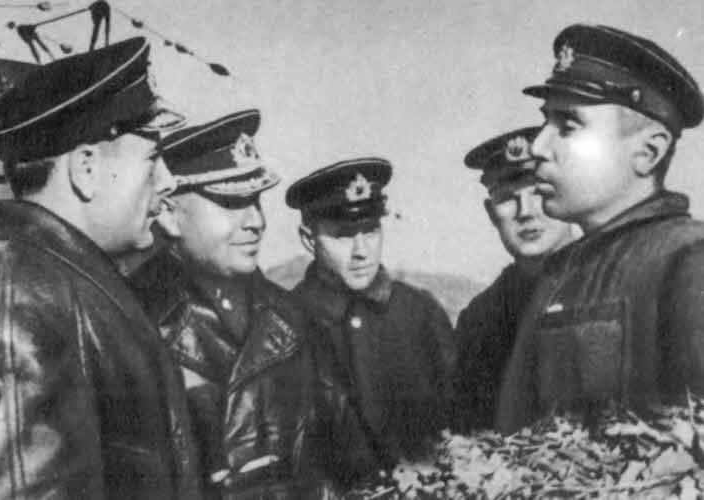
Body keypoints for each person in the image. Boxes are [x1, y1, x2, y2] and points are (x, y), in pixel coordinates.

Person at [0, 38, 203, 499]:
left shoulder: (56, 284)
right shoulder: (18, 306)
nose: (169, 182)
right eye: (153, 159)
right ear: (85, 168)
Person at [496, 24, 704, 434]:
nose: (538, 147)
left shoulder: (689, 261)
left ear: (648, 151)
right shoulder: (558, 272)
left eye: (568, 125)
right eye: (545, 122)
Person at [131, 109, 320, 499]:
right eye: (232, 202)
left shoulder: (292, 316)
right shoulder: (132, 318)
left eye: (256, 200)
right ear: (168, 215)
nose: (256, 221)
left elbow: (333, 463)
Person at [286, 158, 457, 487]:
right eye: (343, 235)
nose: (361, 251)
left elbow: (457, 422)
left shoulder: (419, 313)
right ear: (309, 238)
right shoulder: (287, 325)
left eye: (371, 230)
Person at [453, 126, 577, 431]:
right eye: (508, 198)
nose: (526, 212)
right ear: (490, 213)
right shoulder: (479, 318)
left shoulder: (607, 281)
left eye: (539, 192)